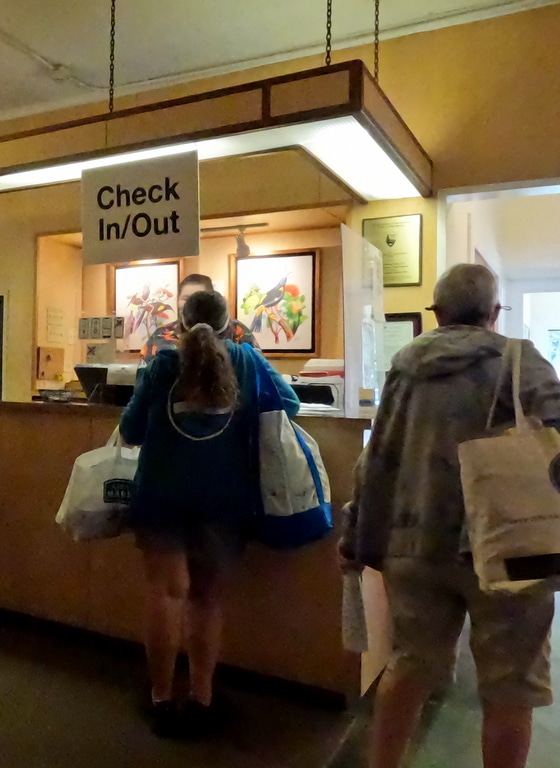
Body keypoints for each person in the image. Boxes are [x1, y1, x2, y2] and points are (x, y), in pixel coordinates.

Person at [340, 264, 560, 768]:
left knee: (411, 665)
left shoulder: (405, 366)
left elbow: (377, 460)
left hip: (415, 545)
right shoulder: (522, 361)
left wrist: (355, 536)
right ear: (494, 312)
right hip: (512, 550)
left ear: (436, 313)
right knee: (511, 687)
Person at [120, 290, 298, 739]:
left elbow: (131, 429)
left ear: (178, 326)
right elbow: (289, 406)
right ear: (229, 325)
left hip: (161, 494)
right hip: (223, 499)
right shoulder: (247, 360)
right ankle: (203, 699)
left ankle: (161, 698)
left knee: (166, 593)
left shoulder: (162, 365)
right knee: (206, 598)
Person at [141, 273, 258, 363]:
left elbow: (258, 373)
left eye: (199, 298)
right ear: (177, 300)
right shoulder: (162, 334)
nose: (191, 304)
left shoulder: (237, 331)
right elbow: (144, 378)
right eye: (186, 298)